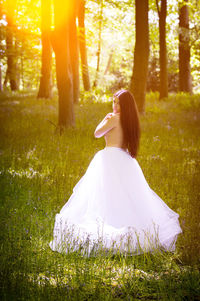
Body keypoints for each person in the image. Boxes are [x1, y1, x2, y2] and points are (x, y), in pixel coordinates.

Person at [49, 90, 182, 255]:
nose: (114, 105)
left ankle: (110, 228)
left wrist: (105, 119)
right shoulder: (130, 121)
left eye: (118, 103)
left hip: (109, 159)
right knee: (126, 195)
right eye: (113, 102)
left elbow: (97, 133)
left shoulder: (113, 118)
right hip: (126, 160)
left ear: (124, 105)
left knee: (106, 194)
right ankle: (130, 228)